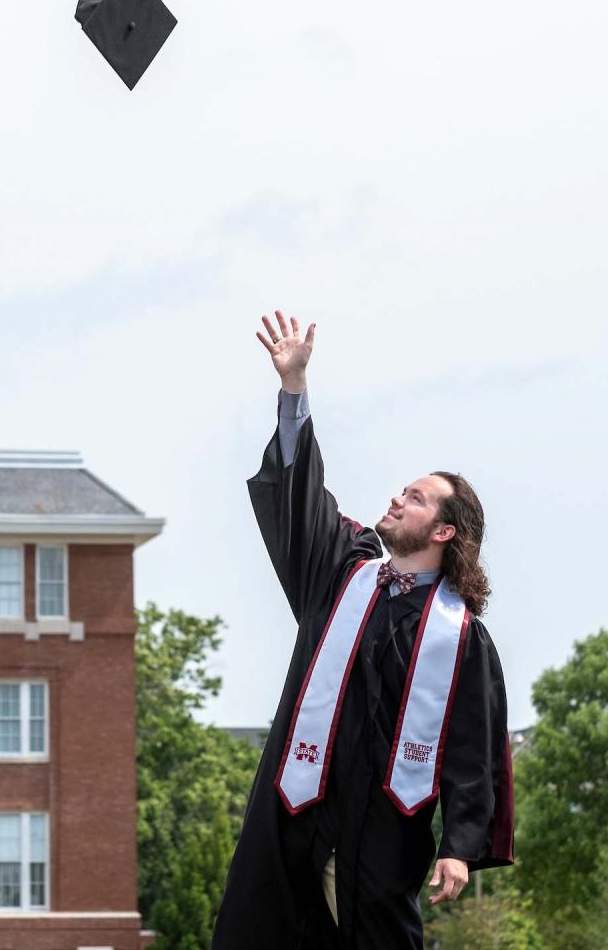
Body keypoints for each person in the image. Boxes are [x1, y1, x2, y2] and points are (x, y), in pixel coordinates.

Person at [211, 310, 515, 950]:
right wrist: (293, 390)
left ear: (443, 532)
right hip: (293, 813)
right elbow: (300, 499)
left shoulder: (458, 637)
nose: (399, 498)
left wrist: (459, 846)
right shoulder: (343, 570)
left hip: (378, 838)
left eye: (417, 497)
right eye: (402, 489)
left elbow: (473, 751)